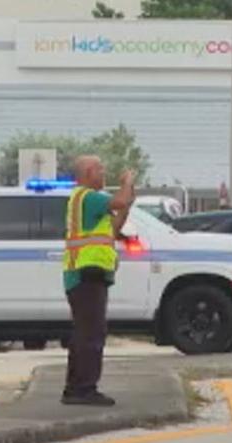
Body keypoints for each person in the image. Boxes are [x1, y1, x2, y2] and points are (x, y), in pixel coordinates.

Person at [62, 156, 136, 406]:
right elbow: (120, 200)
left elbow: (114, 226)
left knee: (84, 333)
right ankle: (84, 388)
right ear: (89, 172)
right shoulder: (88, 196)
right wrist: (127, 182)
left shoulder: (85, 201)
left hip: (87, 274)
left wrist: (127, 202)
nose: (104, 174)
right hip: (86, 273)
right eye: (101, 169)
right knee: (91, 334)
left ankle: (75, 387)